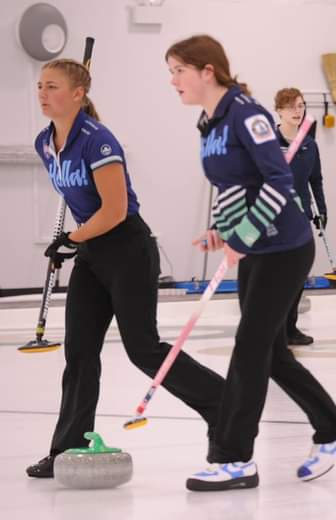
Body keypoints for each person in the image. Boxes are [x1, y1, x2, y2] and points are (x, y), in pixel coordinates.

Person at [166, 34, 336, 490]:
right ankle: (332, 431)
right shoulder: (209, 122)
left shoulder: (245, 113)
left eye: (178, 71)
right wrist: (222, 231)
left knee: (249, 351)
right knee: (269, 354)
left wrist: (244, 235)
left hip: (285, 248)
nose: (172, 80)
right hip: (257, 249)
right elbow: (235, 187)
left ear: (206, 70)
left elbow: (277, 179)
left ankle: (234, 458)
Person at [25, 57, 225, 479]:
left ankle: (223, 404)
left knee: (143, 349)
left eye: (53, 87)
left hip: (127, 249)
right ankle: (67, 449)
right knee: (79, 353)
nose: (43, 94)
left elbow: (115, 210)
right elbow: (83, 206)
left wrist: (71, 239)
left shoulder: (99, 141)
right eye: (41, 86)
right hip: (93, 253)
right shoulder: (46, 143)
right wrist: (76, 241)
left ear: (78, 94)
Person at [273, 87, 327, 346]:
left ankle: (291, 328)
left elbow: (315, 180)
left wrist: (322, 210)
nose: (298, 110)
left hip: (300, 217)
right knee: (276, 276)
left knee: (298, 273)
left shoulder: (309, 144)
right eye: (291, 106)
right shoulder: (268, 144)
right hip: (272, 217)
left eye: (301, 105)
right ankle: (275, 329)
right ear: (279, 110)